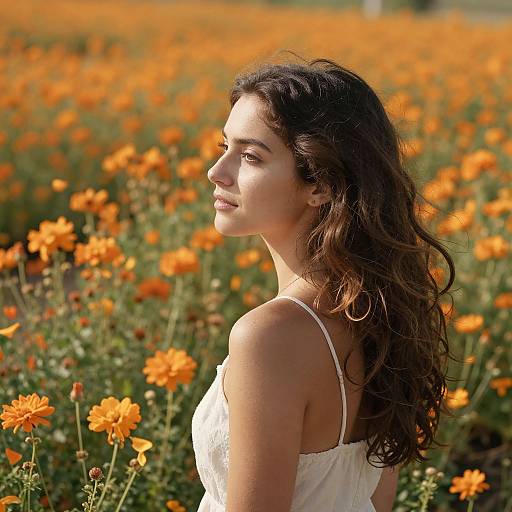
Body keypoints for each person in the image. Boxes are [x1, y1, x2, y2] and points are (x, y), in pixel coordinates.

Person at [191, 53, 456, 512]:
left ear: (320, 185)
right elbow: (377, 500)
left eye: (250, 156)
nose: (218, 172)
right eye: (224, 147)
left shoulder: (269, 337)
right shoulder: (378, 310)